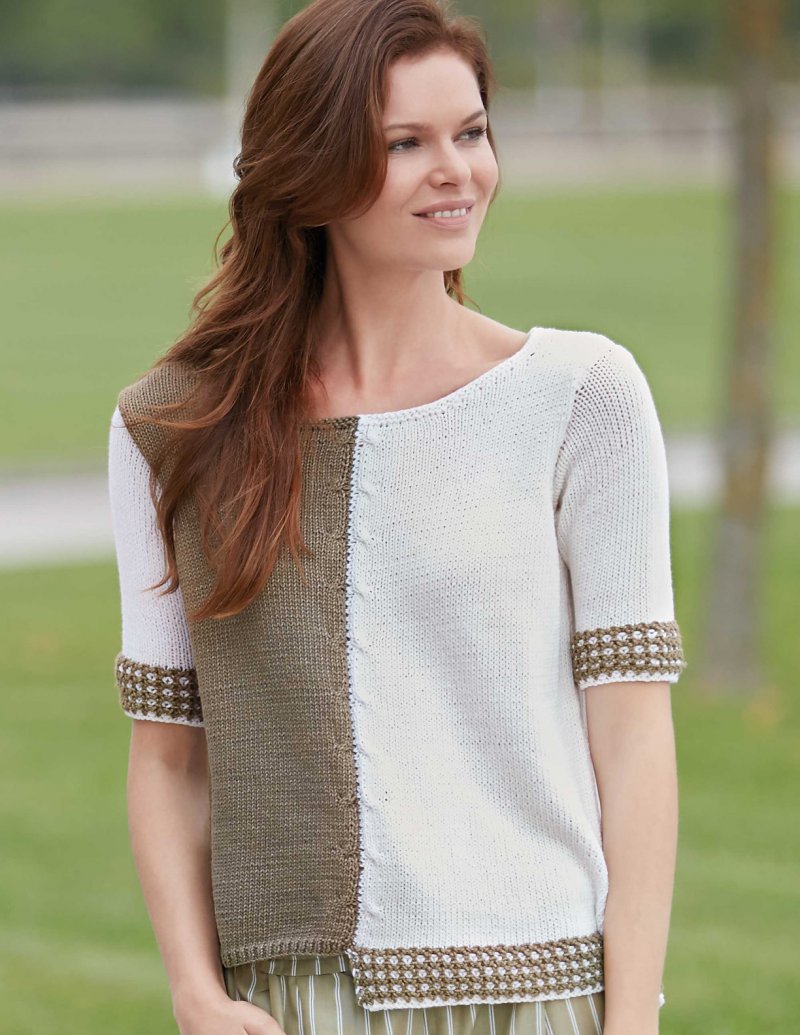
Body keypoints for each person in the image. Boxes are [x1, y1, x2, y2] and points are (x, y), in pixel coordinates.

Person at [107, 1, 687, 1034]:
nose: (456, 171)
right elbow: (167, 754)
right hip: (294, 997)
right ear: (311, 168)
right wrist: (195, 989)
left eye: (471, 132)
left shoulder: (580, 397)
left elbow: (633, 734)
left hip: (539, 989)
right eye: (405, 144)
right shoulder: (175, 427)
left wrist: (631, 1018)